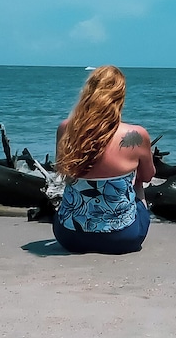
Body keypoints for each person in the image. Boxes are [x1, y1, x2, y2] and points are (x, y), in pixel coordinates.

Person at [52, 65, 155, 254]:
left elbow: (62, 170)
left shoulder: (66, 129)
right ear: (119, 97)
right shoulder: (136, 135)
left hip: (69, 236)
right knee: (138, 182)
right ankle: (121, 222)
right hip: (123, 239)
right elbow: (148, 176)